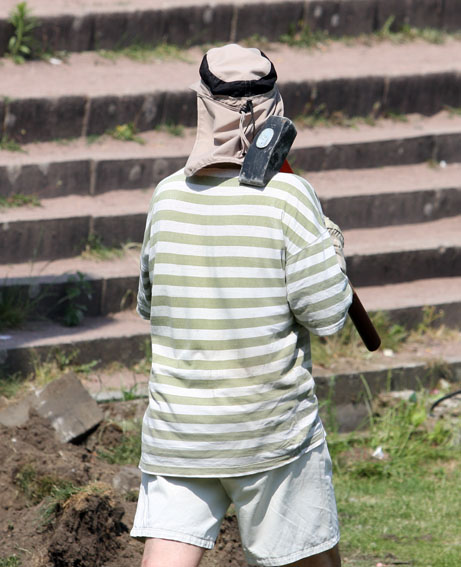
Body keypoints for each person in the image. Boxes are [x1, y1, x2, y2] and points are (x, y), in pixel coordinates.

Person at [131, 44, 352, 567]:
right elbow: (328, 316)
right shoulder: (290, 197)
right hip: (269, 434)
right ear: (275, 109)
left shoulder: (167, 196)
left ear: (202, 107)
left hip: (180, 432)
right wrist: (330, 244)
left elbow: (149, 304)